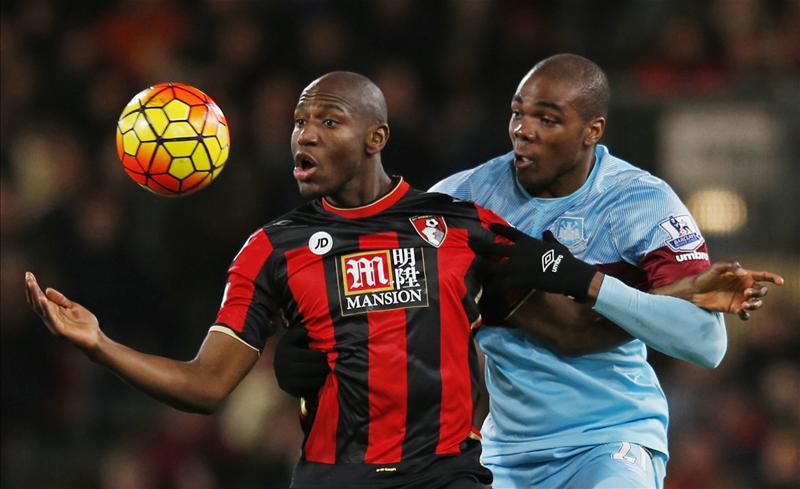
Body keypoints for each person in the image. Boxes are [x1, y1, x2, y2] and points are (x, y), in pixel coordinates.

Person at [273, 57, 784, 489]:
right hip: (505, 451)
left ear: (592, 131)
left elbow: (705, 343)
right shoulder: (463, 199)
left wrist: (585, 281)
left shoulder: (640, 202)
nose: (524, 130)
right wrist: (319, 351)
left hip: (611, 439)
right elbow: (388, 292)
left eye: (547, 118)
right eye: (518, 113)